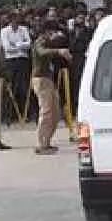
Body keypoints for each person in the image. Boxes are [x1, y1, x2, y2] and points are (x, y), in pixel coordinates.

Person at [30, 21, 72, 155]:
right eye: (53, 32)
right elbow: (42, 52)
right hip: (41, 79)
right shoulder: (40, 42)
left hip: (48, 79)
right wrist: (59, 51)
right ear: (48, 31)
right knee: (47, 111)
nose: (55, 35)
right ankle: (41, 144)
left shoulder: (48, 42)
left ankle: (47, 142)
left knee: (55, 112)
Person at [0, 14, 32, 125]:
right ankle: (9, 116)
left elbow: (29, 44)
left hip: (23, 60)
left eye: (17, 19)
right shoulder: (4, 31)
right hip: (11, 62)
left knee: (23, 88)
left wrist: (17, 45)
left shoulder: (24, 29)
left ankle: (25, 114)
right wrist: (21, 46)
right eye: (13, 20)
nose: (15, 22)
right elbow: (7, 48)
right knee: (11, 88)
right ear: (10, 21)